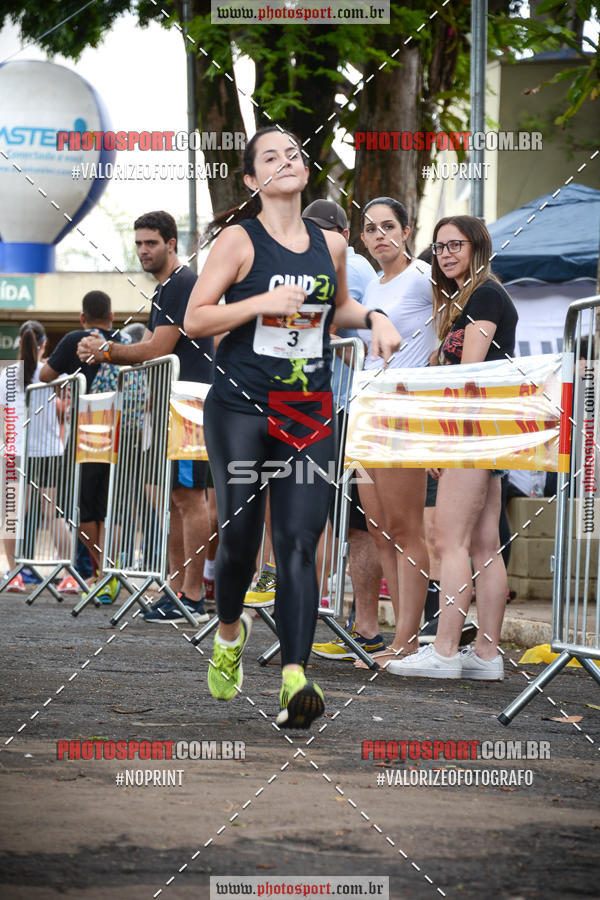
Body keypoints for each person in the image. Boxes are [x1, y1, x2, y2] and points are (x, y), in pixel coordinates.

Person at [183, 126, 401, 728]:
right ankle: (229, 633)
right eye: (270, 157)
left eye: (294, 153)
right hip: (242, 404)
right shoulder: (238, 240)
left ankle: (294, 680)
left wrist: (374, 318)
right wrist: (259, 304)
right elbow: (195, 318)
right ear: (253, 180)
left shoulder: (329, 243)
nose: (287, 161)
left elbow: (339, 308)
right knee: (240, 543)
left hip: (306, 405)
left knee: (301, 543)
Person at [388, 215, 518, 681]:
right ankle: (485, 656)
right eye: (439, 246)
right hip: (483, 431)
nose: (444, 254)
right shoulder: (466, 299)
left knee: (449, 540)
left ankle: (444, 651)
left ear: (477, 246)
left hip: (472, 431)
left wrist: (441, 444)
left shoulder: (485, 294)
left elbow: (468, 377)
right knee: (484, 544)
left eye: (454, 245)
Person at [77, 212, 214, 624]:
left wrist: (106, 351)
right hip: (175, 406)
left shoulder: (182, 283)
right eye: (138, 244)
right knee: (177, 500)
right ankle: (177, 591)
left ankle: (193, 595)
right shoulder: (165, 290)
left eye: (151, 243)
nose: (142, 251)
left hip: (192, 404)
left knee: (191, 500)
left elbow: (158, 348)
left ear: (172, 243)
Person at [349, 197, 436, 665]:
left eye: (388, 226)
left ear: (406, 231)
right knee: (379, 530)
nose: (379, 234)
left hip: (406, 412)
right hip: (366, 411)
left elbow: (448, 333)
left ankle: (409, 643)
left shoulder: (424, 278)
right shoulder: (371, 290)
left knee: (406, 529)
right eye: (370, 228)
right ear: (361, 238)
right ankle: (396, 640)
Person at [40, 292, 131, 602]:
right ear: (112, 315)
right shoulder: (121, 341)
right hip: (121, 434)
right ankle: (106, 572)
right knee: (108, 507)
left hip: (88, 433)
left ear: (83, 317)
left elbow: (45, 375)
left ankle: (104, 572)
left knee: (81, 506)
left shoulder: (75, 339)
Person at [3, 321, 68, 592]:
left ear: (19, 342)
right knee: (52, 514)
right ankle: (68, 574)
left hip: (15, 452)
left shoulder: (6, 375)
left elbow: (4, 416)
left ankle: (14, 574)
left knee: (11, 514)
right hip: (49, 452)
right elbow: (64, 410)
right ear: (44, 345)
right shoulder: (51, 374)